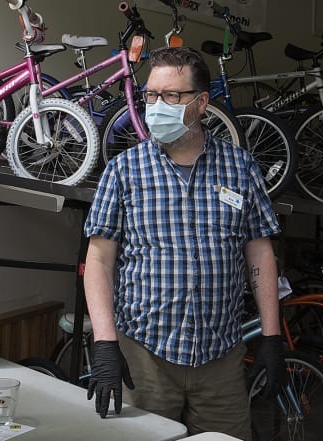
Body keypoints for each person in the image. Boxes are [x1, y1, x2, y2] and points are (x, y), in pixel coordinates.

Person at [83, 46, 282, 440]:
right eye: (152, 96)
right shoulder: (124, 170)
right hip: (145, 358)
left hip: (221, 359)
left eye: (172, 96)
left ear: (202, 102)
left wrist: (272, 338)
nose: (157, 105)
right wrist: (105, 344)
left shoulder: (240, 167)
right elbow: (99, 260)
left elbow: (259, 250)